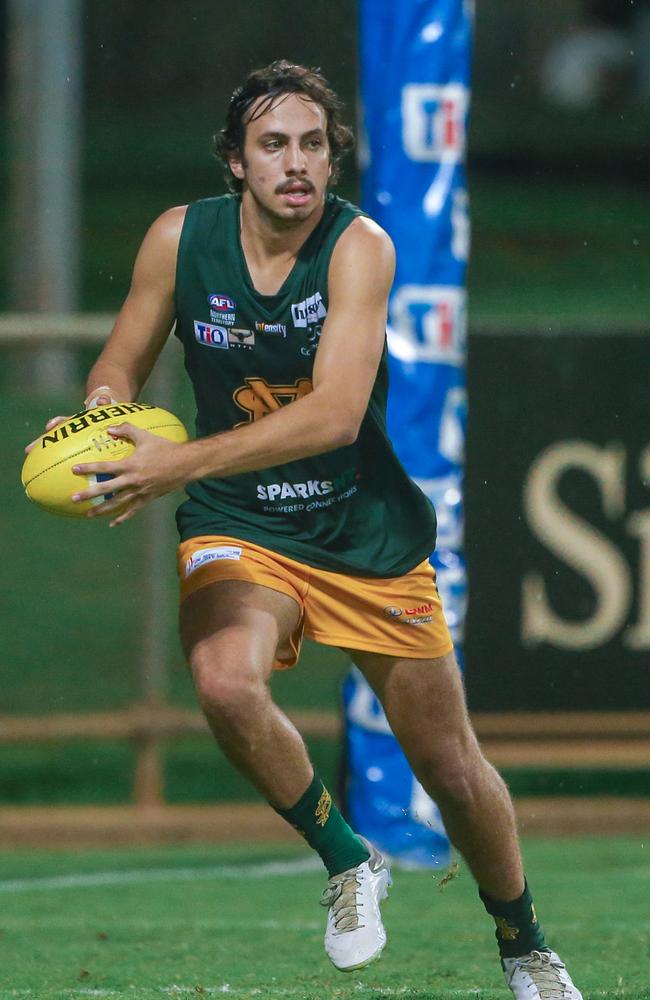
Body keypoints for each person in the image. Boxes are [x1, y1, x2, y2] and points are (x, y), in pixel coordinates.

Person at [29, 61, 583, 998]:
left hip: (361, 527)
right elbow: (118, 363)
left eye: (314, 145)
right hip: (240, 519)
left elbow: (332, 416)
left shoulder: (359, 247)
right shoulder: (179, 239)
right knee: (222, 681)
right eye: (274, 145)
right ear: (236, 163)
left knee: (451, 770)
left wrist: (174, 463)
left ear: (334, 157)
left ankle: (526, 943)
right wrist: (94, 422)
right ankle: (347, 859)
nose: (297, 164)